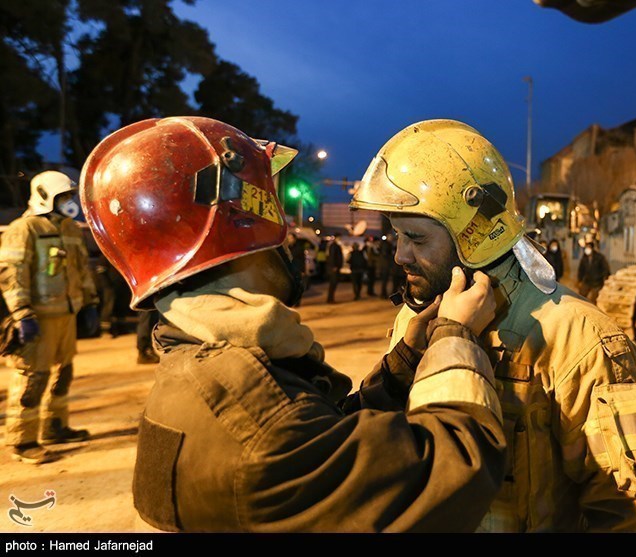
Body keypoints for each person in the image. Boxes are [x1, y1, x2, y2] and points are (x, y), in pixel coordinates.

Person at [80, 116, 506, 532]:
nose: (284, 229)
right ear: (242, 225)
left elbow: (333, 444)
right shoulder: (257, 422)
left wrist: (403, 364)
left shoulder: (202, 367)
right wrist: (456, 337)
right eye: (273, 206)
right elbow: (451, 475)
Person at [350, 119, 636, 533]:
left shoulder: (579, 338)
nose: (400, 256)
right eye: (396, 236)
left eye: (415, 238)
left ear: (474, 233)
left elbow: (629, 514)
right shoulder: (415, 322)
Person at [0, 171, 99, 464]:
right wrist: (21, 313)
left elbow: (81, 269)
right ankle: (22, 439)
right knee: (33, 377)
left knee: (62, 373)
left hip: (65, 316)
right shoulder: (24, 229)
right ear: (45, 196)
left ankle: (55, 427)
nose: (69, 203)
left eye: (69, 196)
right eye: (63, 197)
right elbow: (12, 274)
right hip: (37, 318)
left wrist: (90, 303)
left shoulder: (69, 229)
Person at [326, 233, 343, 303]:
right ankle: (330, 299)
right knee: (333, 283)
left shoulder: (336, 245)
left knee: (334, 283)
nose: (340, 239)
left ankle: (331, 298)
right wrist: (334, 266)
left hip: (335, 267)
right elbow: (332, 257)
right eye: (339, 238)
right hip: (334, 268)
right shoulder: (334, 246)